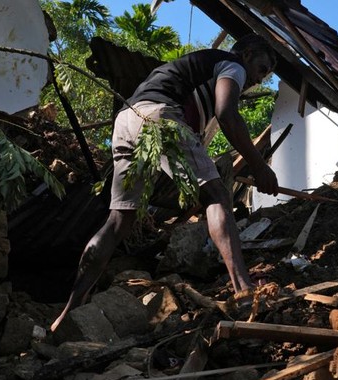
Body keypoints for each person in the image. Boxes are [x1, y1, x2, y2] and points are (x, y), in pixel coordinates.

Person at [52, 34, 279, 331]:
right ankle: (245, 291)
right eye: (261, 70)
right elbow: (227, 114)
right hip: (159, 115)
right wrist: (260, 166)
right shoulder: (233, 65)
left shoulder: (197, 68)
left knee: (119, 220)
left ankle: (69, 312)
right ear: (248, 54)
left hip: (126, 121)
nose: (258, 80)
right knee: (216, 195)